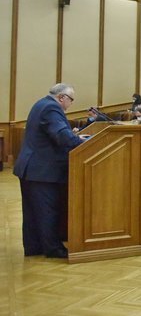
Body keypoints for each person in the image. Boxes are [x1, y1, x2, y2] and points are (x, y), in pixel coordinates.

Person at [13, 83, 84, 258]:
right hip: (42, 170)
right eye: (71, 100)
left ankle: (34, 247)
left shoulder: (41, 104)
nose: (70, 104)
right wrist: (84, 142)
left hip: (32, 169)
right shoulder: (52, 108)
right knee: (47, 210)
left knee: (33, 212)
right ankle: (53, 249)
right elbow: (62, 136)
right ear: (62, 97)